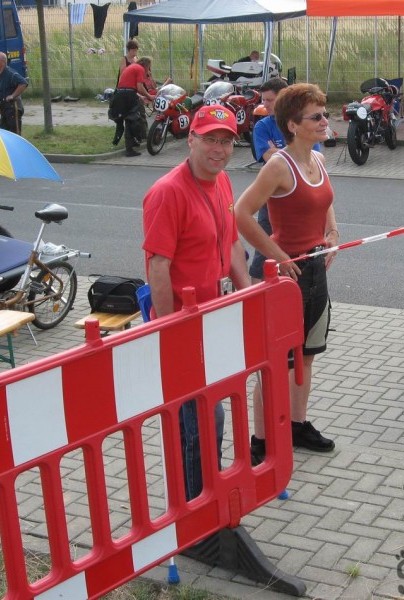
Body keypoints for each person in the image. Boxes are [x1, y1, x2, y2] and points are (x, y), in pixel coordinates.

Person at [142, 104, 250, 501]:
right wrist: (170, 329)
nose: (218, 149)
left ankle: (205, 494)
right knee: (203, 417)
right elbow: (158, 266)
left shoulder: (221, 182)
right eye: (209, 140)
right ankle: (195, 505)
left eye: (226, 141)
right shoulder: (168, 193)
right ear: (190, 139)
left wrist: (246, 294)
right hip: (183, 324)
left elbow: (232, 242)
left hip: (214, 316)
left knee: (208, 412)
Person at [235, 83, 339, 462]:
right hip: (284, 276)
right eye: (317, 116)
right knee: (275, 361)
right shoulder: (279, 165)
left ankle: (297, 424)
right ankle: (261, 440)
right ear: (293, 125)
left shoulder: (319, 160)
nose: (325, 121)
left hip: (315, 270)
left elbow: (325, 201)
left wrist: (332, 233)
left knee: (307, 354)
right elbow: (241, 214)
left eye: (325, 114)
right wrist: (277, 255)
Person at [250, 77, 321, 282]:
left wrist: (279, 151)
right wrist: (292, 152)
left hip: (301, 196)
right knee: (264, 251)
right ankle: (256, 294)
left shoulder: (302, 123)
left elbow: (309, 155)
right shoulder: (262, 126)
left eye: (270, 100)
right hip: (273, 196)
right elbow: (267, 157)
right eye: (263, 100)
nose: (265, 104)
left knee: (301, 250)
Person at [110, 56, 155, 157]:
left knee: (131, 119)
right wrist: (149, 96)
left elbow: (128, 85)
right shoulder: (140, 69)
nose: (148, 70)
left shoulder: (133, 67)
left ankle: (132, 141)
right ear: (146, 65)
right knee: (131, 121)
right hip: (127, 96)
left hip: (121, 94)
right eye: (149, 67)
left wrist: (140, 97)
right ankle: (129, 149)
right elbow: (139, 87)